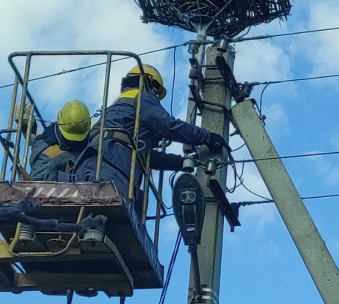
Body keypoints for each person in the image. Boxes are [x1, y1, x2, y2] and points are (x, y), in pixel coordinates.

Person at [74, 64, 227, 207]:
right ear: (149, 84)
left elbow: (145, 158)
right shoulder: (142, 96)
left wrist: (181, 162)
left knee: (86, 213)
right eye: (157, 91)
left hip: (91, 161)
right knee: (107, 209)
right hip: (113, 164)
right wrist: (207, 137)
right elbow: (167, 125)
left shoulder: (118, 109)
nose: (155, 95)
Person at [29, 99, 94, 181]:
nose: (73, 141)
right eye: (70, 138)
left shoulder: (85, 131)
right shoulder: (47, 155)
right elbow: (37, 186)